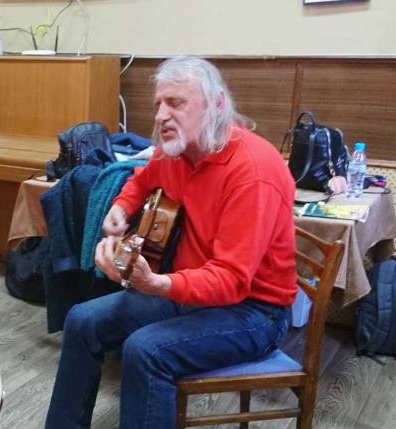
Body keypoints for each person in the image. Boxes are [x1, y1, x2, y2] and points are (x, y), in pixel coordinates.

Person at [45, 56, 297, 429]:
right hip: (191, 290)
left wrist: (158, 283)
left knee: (146, 350)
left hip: (254, 311)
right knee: (81, 320)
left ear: (217, 105)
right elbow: (141, 179)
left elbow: (231, 280)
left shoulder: (253, 171)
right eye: (159, 104)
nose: (162, 115)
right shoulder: (175, 150)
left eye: (175, 103)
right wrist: (120, 208)